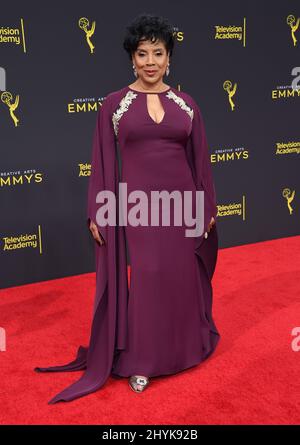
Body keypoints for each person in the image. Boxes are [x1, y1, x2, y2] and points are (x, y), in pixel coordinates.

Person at [34, 13, 220, 403]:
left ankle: (183, 349)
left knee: (179, 275)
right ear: (131, 59)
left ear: (169, 58)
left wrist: (206, 209)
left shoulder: (187, 104)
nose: (150, 61)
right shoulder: (113, 105)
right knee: (149, 275)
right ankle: (143, 360)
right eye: (142, 53)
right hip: (138, 206)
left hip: (181, 204)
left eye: (158, 52)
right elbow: (102, 162)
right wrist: (98, 211)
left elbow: (200, 161)